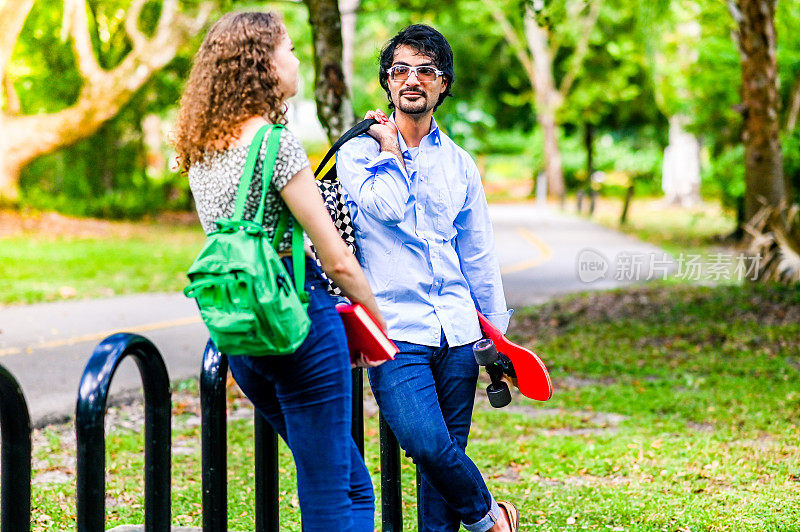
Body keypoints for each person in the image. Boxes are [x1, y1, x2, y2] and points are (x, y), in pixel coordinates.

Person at [171, 11, 385, 531]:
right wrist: (380, 324)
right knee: (333, 494)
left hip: (242, 336)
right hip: (299, 326)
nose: (296, 60)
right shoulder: (274, 144)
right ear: (262, 65)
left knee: (351, 481)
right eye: (288, 50)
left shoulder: (202, 146)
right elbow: (336, 258)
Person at [336, 24, 519, 532]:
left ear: (443, 85)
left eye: (425, 71)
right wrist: (393, 150)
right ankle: (491, 518)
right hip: (395, 331)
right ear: (387, 82)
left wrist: (496, 341)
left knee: (444, 464)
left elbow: (477, 254)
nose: (411, 80)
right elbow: (390, 207)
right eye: (400, 70)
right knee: (426, 443)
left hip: (458, 333)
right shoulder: (358, 153)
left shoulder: (460, 164)